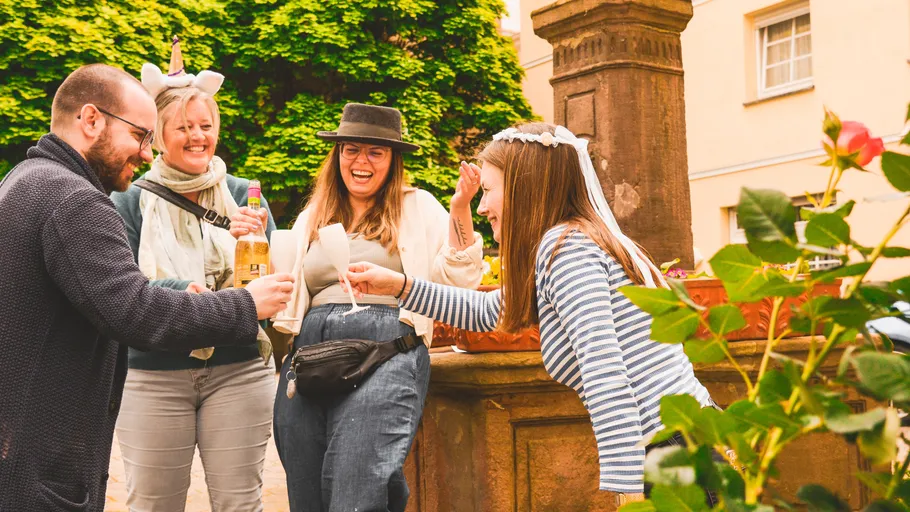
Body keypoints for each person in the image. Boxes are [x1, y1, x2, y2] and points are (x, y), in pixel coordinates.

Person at [344, 123, 720, 507]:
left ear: (525, 189)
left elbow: (605, 372)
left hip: (674, 457)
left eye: (488, 191)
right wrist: (398, 286)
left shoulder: (568, 252)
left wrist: (628, 493)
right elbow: (487, 310)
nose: (482, 206)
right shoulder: (567, 243)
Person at [0, 63, 294, 512]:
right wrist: (244, 304)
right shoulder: (77, 201)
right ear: (92, 119)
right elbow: (135, 311)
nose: (144, 152)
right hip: (38, 458)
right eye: (141, 135)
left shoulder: (24, 180)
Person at [232, 102, 483, 511]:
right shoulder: (315, 213)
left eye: (375, 152)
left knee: (356, 483)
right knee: (306, 487)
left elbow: (461, 280)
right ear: (337, 155)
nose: (360, 161)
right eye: (350, 149)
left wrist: (460, 208)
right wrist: (256, 240)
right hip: (311, 354)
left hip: (387, 348)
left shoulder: (418, 206)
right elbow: (284, 289)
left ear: (393, 160)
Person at [109, 41, 278, 512]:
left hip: (239, 370)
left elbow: (275, 284)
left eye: (206, 125)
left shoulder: (247, 196)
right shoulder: (127, 199)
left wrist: (257, 245)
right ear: (159, 135)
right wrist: (185, 294)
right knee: (152, 505)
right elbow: (123, 292)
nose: (197, 136)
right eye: (183, 127)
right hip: (152, 375)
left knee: (240, 504)